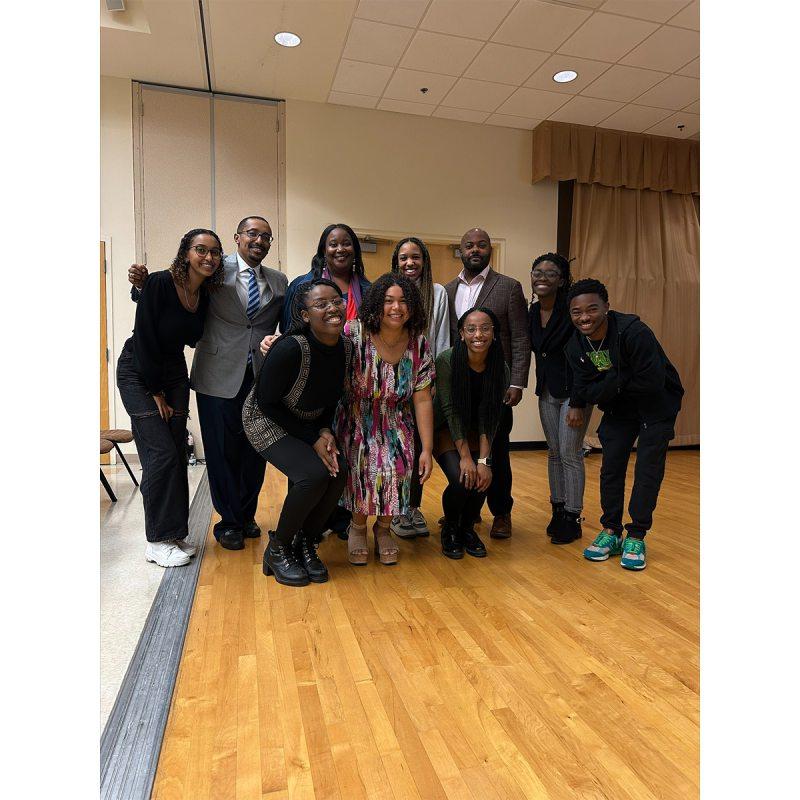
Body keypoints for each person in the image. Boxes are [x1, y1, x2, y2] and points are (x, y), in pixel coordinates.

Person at [129, 216, 287, 552]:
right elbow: (171, 289)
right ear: (238, 237)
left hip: (259, 377)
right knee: (220, 452)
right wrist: (139, 286)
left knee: (254, 451)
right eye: (252, 234)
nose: (259, 241)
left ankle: (246, 515)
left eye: (267, 237)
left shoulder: (278, 280)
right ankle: (228, 521)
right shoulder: (214, 268)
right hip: (217, 373)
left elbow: (279, 325)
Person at [117, 229, 224, 567]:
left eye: (215, 252)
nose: (208, 257)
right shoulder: (161, 283)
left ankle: (175, 533)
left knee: (177, 451)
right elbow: (146, 335)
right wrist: (155, 392)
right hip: (140, 369)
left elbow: (189, 339)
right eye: (201, 250)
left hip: (175, 370)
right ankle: (157, 540)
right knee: (160, 454)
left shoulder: (204, 295)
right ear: (186, 252)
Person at [565, 278, 684, 570]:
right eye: (576, 312)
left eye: (591, 309)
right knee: (611, 467)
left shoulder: (635, 333)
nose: (584, 317)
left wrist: (607, 384)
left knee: (647, 469)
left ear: (606, 307)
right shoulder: (575, 344)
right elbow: (583, 385)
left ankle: (637, 534)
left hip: (657, 404)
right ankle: (611, 531)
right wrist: (615, 383)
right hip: (620, 406)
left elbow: (651, 382)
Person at [242, 279, 349, 587]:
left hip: (310, 422)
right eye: (321, 304)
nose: (332, 308)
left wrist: (325, 430)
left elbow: (332, 397)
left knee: (338, 472)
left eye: (336, 301)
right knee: (312, 475)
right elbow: (267, 403)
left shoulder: (345, 347)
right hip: (266, 419)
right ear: (304, 315)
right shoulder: (290, 348)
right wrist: (312, 439)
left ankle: (305, 542)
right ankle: (277, 549)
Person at [335, 273, 435, 565]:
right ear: (377, 304)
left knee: (399, 468)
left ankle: (383, 529)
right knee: (364, 466)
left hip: (396, 419)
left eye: (403, 301)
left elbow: (423, 397)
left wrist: (426, 448)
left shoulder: (419, 344)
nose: (396, 307)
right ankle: (357, 527)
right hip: (356, 417)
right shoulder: (354, 333)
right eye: (389, 300)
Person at [443, 228, 530, 539]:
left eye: (481, 245)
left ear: (490, 249)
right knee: (463, 444)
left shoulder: (508, 287)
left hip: (497, 385)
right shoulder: (448, 289)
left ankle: (502, 513)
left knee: (497, 451)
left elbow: (520, 337)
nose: (475, 250)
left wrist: (517, 382)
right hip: (462, 386)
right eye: (469, 245)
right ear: (461, 250)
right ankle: (469, 511)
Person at [434, 308, 509, 560]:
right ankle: (451, 528)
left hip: (479, 429)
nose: (479, 334)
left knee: (482, 477)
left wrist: (483, 462)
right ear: (462, 334)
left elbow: (491, 416)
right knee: (461, 477)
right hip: (445, 426)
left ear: (494, 333)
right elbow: (450, 410)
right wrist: (466, 457)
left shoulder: (501, 367)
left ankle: (467, 528)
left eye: (486, 328)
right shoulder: (447, 360)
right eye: (471, 329)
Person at [529, 253, 593, 544]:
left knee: (570, 453)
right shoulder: (532, 312)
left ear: (562, 280)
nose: (542, 277)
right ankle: (557, 509)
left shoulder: (572, 311)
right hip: (546, 390)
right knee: (554, 452)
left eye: (550, 273)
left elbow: (584, 359)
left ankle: (573, 514)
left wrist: (579, 401)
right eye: (537, 272)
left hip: (573, 393)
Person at [389, 236, 450, 539]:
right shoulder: (388, 291)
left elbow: (442, 340)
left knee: (417, 447)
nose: (409, 263)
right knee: (395, 448)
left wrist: (435, 379)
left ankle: (412, 507)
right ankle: (395, 510)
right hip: (393, 381)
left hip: (424, 381)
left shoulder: (437, 293)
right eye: (403, 257)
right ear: (396, 262)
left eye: (415, 257)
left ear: (425, 261)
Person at [281, 223, 371, 331]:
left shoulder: (369, 291)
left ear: (355, 250)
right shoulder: (299, 286)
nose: (340, 249)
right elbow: (288, 330)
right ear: (324, 251)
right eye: (333, 245)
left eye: (346, 244)